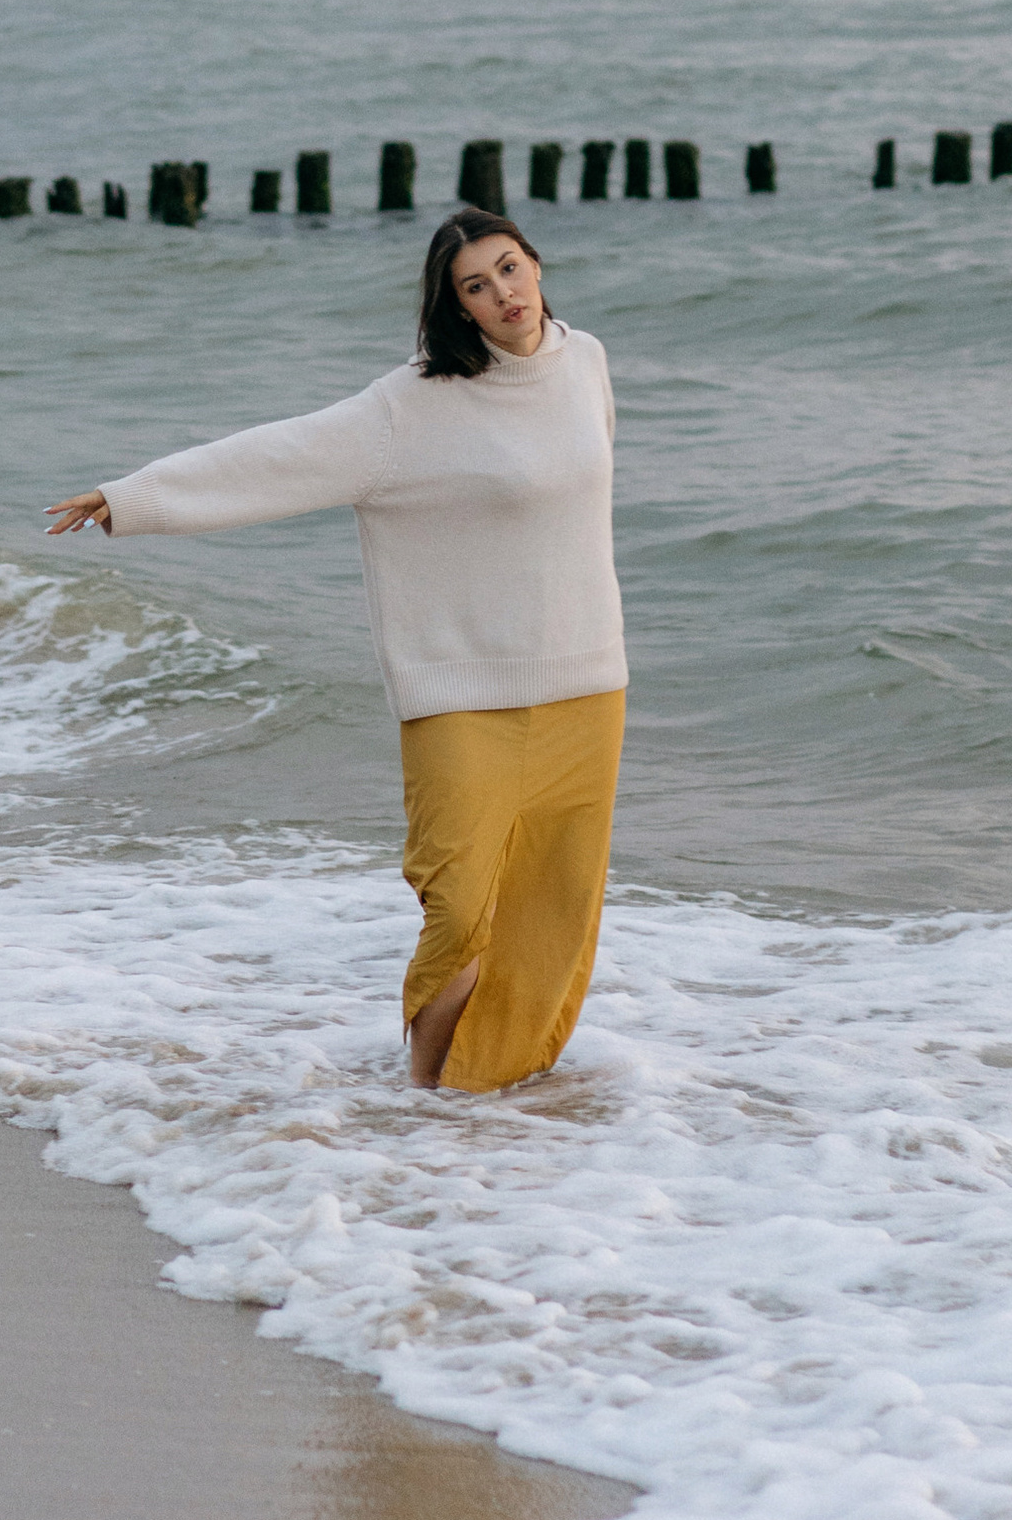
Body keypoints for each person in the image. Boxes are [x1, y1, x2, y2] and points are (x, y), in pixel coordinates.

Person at [46, 207, 624, 1093]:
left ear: (537, 265)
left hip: (586, 684)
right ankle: (426, 1103)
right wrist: (137, 497)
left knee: (551, 917)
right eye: (477, 284)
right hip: (459, 693)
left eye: (510, 269)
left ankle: (486, 1108)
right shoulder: (410, 407)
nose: (503, 293)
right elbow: (282, 455)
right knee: (460, 909)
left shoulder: (586, 363)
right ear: (455, 306)